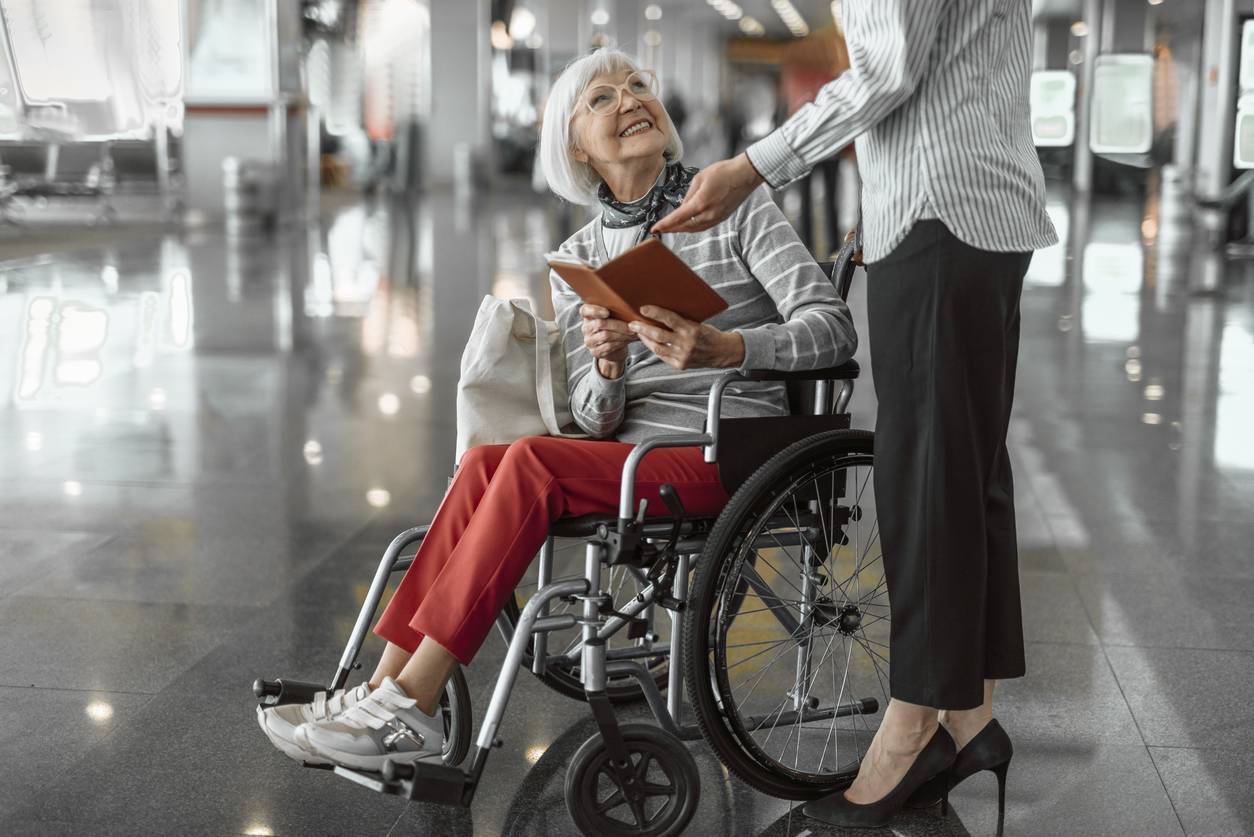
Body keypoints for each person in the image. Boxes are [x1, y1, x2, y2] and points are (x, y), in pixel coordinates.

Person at [256, 48, 857, 772]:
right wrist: (605, 365)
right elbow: (594, 417)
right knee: (485, 462)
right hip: (631, 456)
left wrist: (725, 347)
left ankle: (415, 703)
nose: (631, 98)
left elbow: (833, 328)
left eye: (640, 86)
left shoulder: (734, 210)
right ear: (576, 147)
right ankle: (379, 689)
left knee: (532, 461)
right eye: (601, 98)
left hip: (729, 447)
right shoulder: (580, 256)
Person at [654, 0, 1057, 829]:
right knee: (963, 466)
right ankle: (967, 715)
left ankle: (909, 728)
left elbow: (888, 66)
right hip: (976, 203)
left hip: (943, 207)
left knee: (928, 477)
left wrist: (755, 165)